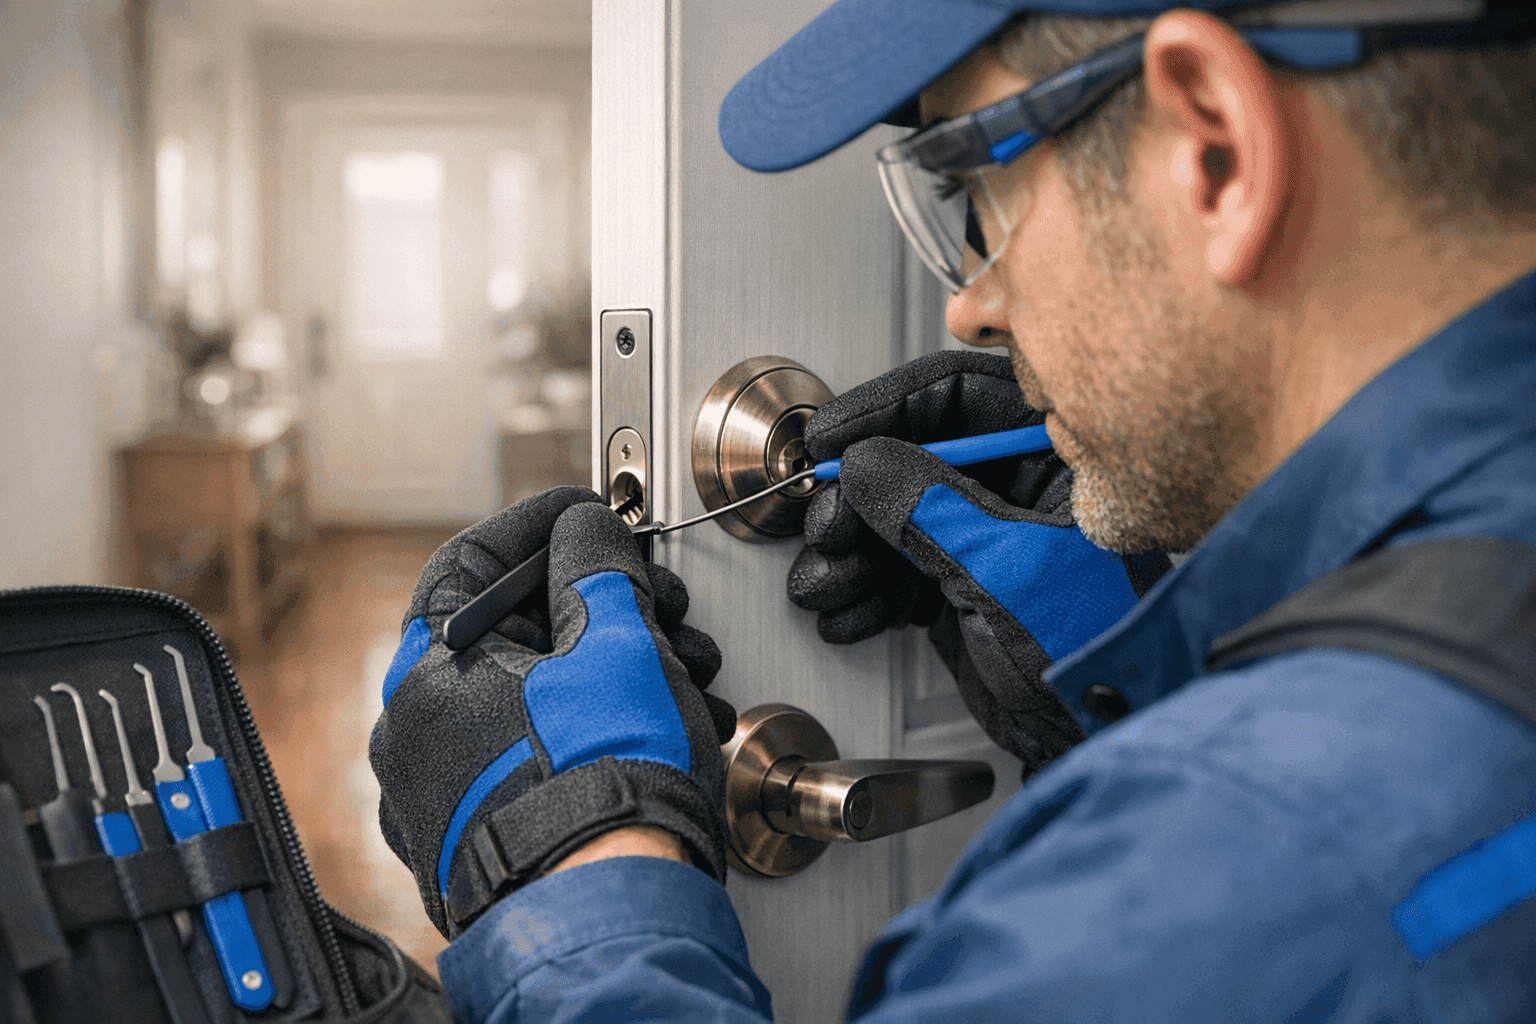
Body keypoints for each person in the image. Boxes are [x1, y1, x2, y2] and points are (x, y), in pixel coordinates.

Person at [368, 0, 1536, 1019]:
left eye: (982, 190)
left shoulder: (1248, 852)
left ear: (1215, 148)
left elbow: (1310, 873)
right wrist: (1133, 682)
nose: (972, 307)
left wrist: (576, 862)